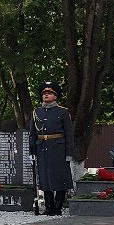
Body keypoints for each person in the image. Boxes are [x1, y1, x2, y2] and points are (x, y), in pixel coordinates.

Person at [33, 82, 77, 215]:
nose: (46, 95)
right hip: (42, 148)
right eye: (44, 93)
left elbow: (69, 134)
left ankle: (57, 207)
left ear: (55, 96)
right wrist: (32, 151)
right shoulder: (37, 112)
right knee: (45, 178)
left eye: (50, 93)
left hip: (58, 149)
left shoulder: (63, 112)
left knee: (60, 178)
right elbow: (32, 134)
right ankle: (49, 207)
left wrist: (69, 152)